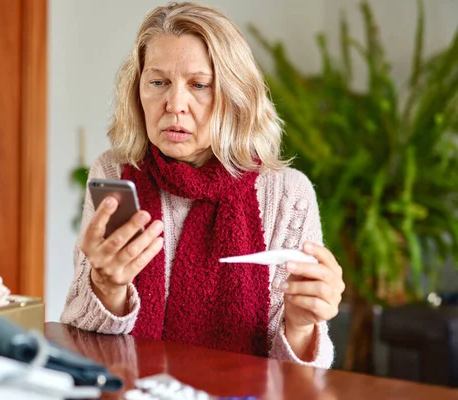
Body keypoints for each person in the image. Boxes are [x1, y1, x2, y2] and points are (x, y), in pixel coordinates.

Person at [61, 2, 345, 368]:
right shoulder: (116, 172)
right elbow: (83, 342)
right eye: (158, 82)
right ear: (138, 90)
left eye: (199, 85)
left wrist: (304, 327)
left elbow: (295, 373)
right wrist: (106, 289)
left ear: (235, 97)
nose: (174, 104)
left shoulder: (288, 195)